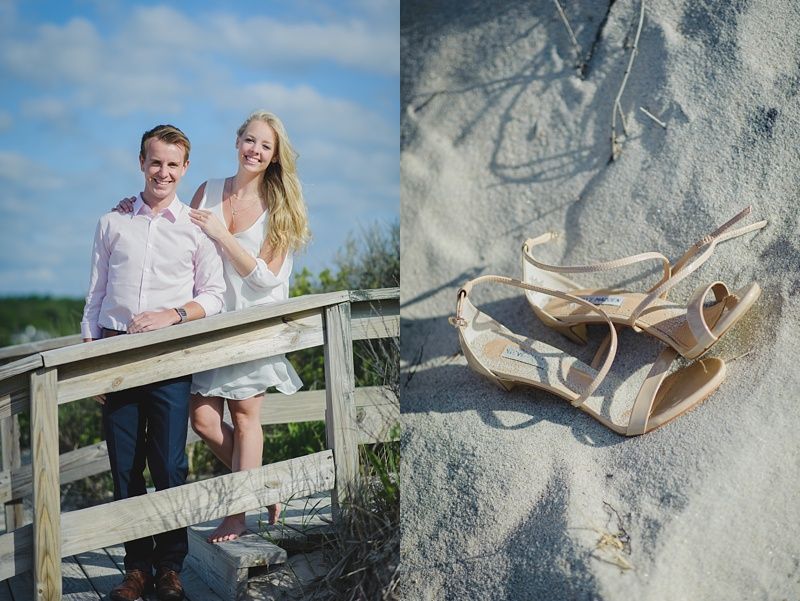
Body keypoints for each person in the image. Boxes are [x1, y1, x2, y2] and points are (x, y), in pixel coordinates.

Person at [115, 110, 310, 543]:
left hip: (254, 321)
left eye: (265, 146)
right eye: (250, 140)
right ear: (237, 140)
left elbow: (266, 278)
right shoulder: (208, 190)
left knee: (245, 417)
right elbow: (172, 231)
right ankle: (261, 484)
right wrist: (131, 209)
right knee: (202, 418)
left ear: (274, 156)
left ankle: (237, 515)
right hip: (211, 321)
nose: (255, 150)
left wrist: (222, 235)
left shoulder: (278, 206)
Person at [82, 124, 225, 601]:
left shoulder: (194, 227)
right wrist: (91, 357)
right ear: (141, 163)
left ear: (185, 169)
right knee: (126, 467)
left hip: (169, 356)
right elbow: (96, 295)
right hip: (116, 354)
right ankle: (136, 570)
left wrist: (173, 314)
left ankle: (170, 569)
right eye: (155, 162)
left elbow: (215, 296)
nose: (163, 172)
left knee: (169, 465)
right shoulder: (112, 222)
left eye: (172, 164)